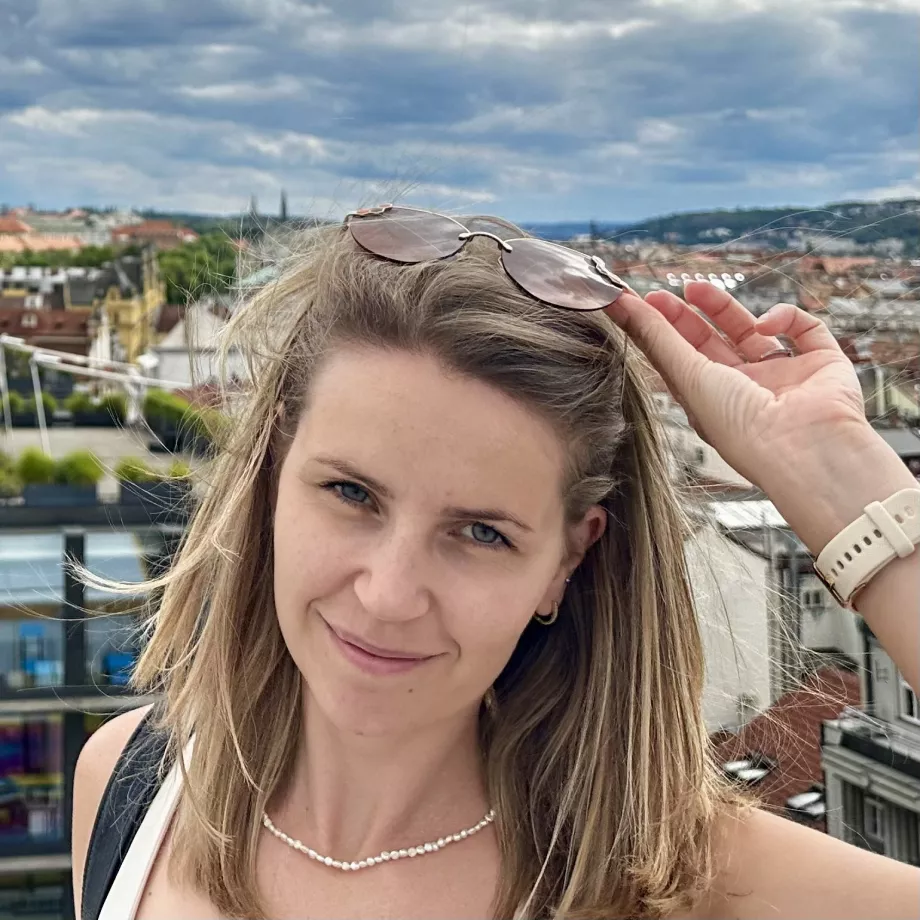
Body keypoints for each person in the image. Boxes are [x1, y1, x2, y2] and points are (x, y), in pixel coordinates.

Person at [72, 206, 920, 920]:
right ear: (270, 478)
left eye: (481, 533)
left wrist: (834, 473)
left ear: (567, 562)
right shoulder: (129, 787)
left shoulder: (690, 882)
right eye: (351, 493)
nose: (389, 594)